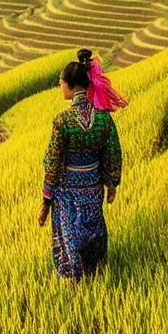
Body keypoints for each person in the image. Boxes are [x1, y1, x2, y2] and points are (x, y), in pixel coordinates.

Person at [38, 56, 123, 281]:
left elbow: (53, 162)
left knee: (69, 234)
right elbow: (112, 153)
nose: (60, 86)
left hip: (67, 192)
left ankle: (73, 279)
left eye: (61, 82)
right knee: (93, 226)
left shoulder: (62, 121)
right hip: (93, 188)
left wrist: (46, 199)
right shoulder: (104, 119)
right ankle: (95, 272)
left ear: (71, 84)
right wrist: (111, 183)